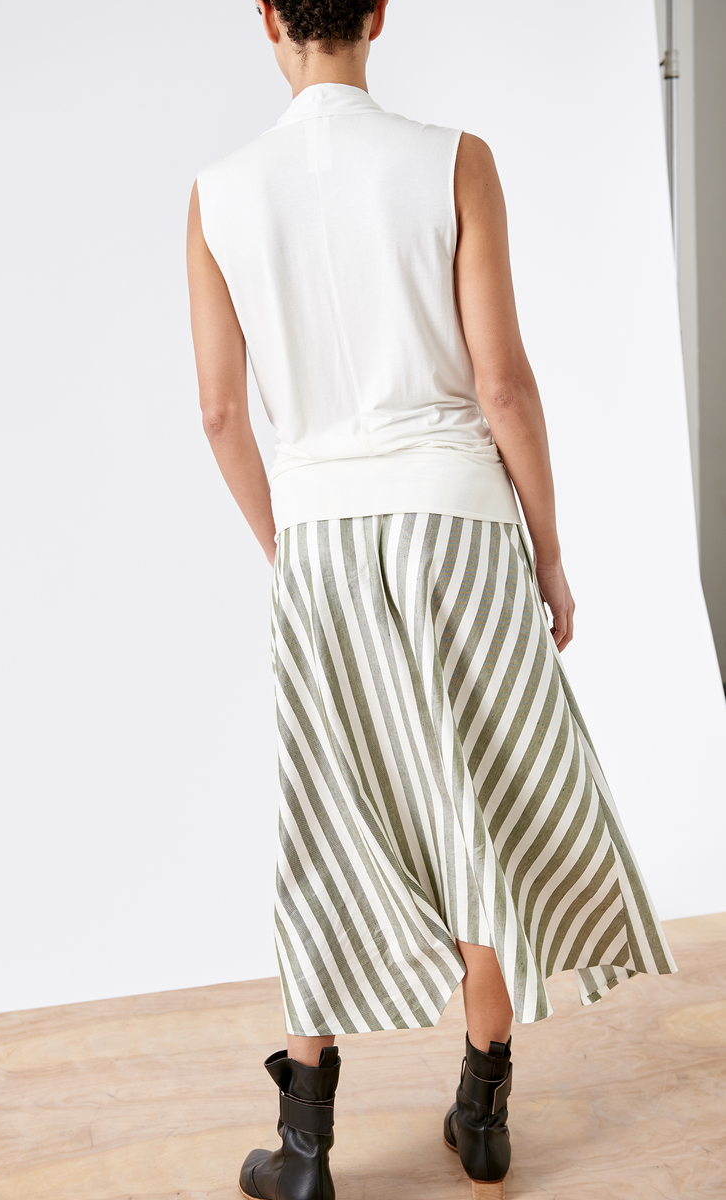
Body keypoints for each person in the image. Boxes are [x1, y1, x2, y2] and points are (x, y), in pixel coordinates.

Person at [185, 3, 677, 1198]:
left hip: (318, 540)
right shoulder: (455, 160)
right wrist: (549, 551)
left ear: (265, 19)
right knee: (481, 807)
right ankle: (485, 1107)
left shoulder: (216, 193)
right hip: (457, 523)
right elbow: (502, 384)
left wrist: (286, 540)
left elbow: (217, 411)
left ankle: (305, 1148)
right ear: (378, 11)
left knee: (330, 818)